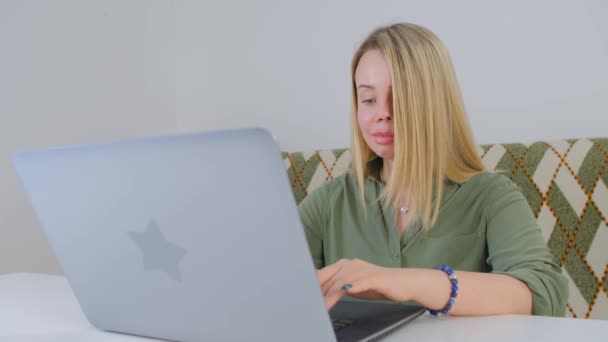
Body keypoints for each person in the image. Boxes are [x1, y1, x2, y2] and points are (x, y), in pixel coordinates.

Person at [297, 23, 568, 316]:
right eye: (368, 99)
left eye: (399, 97)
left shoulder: (491, 197)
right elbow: (267, 286)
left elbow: (544, 293)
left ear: (433, 104)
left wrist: (407, 282)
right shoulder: (329, 202)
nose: (382, 113)